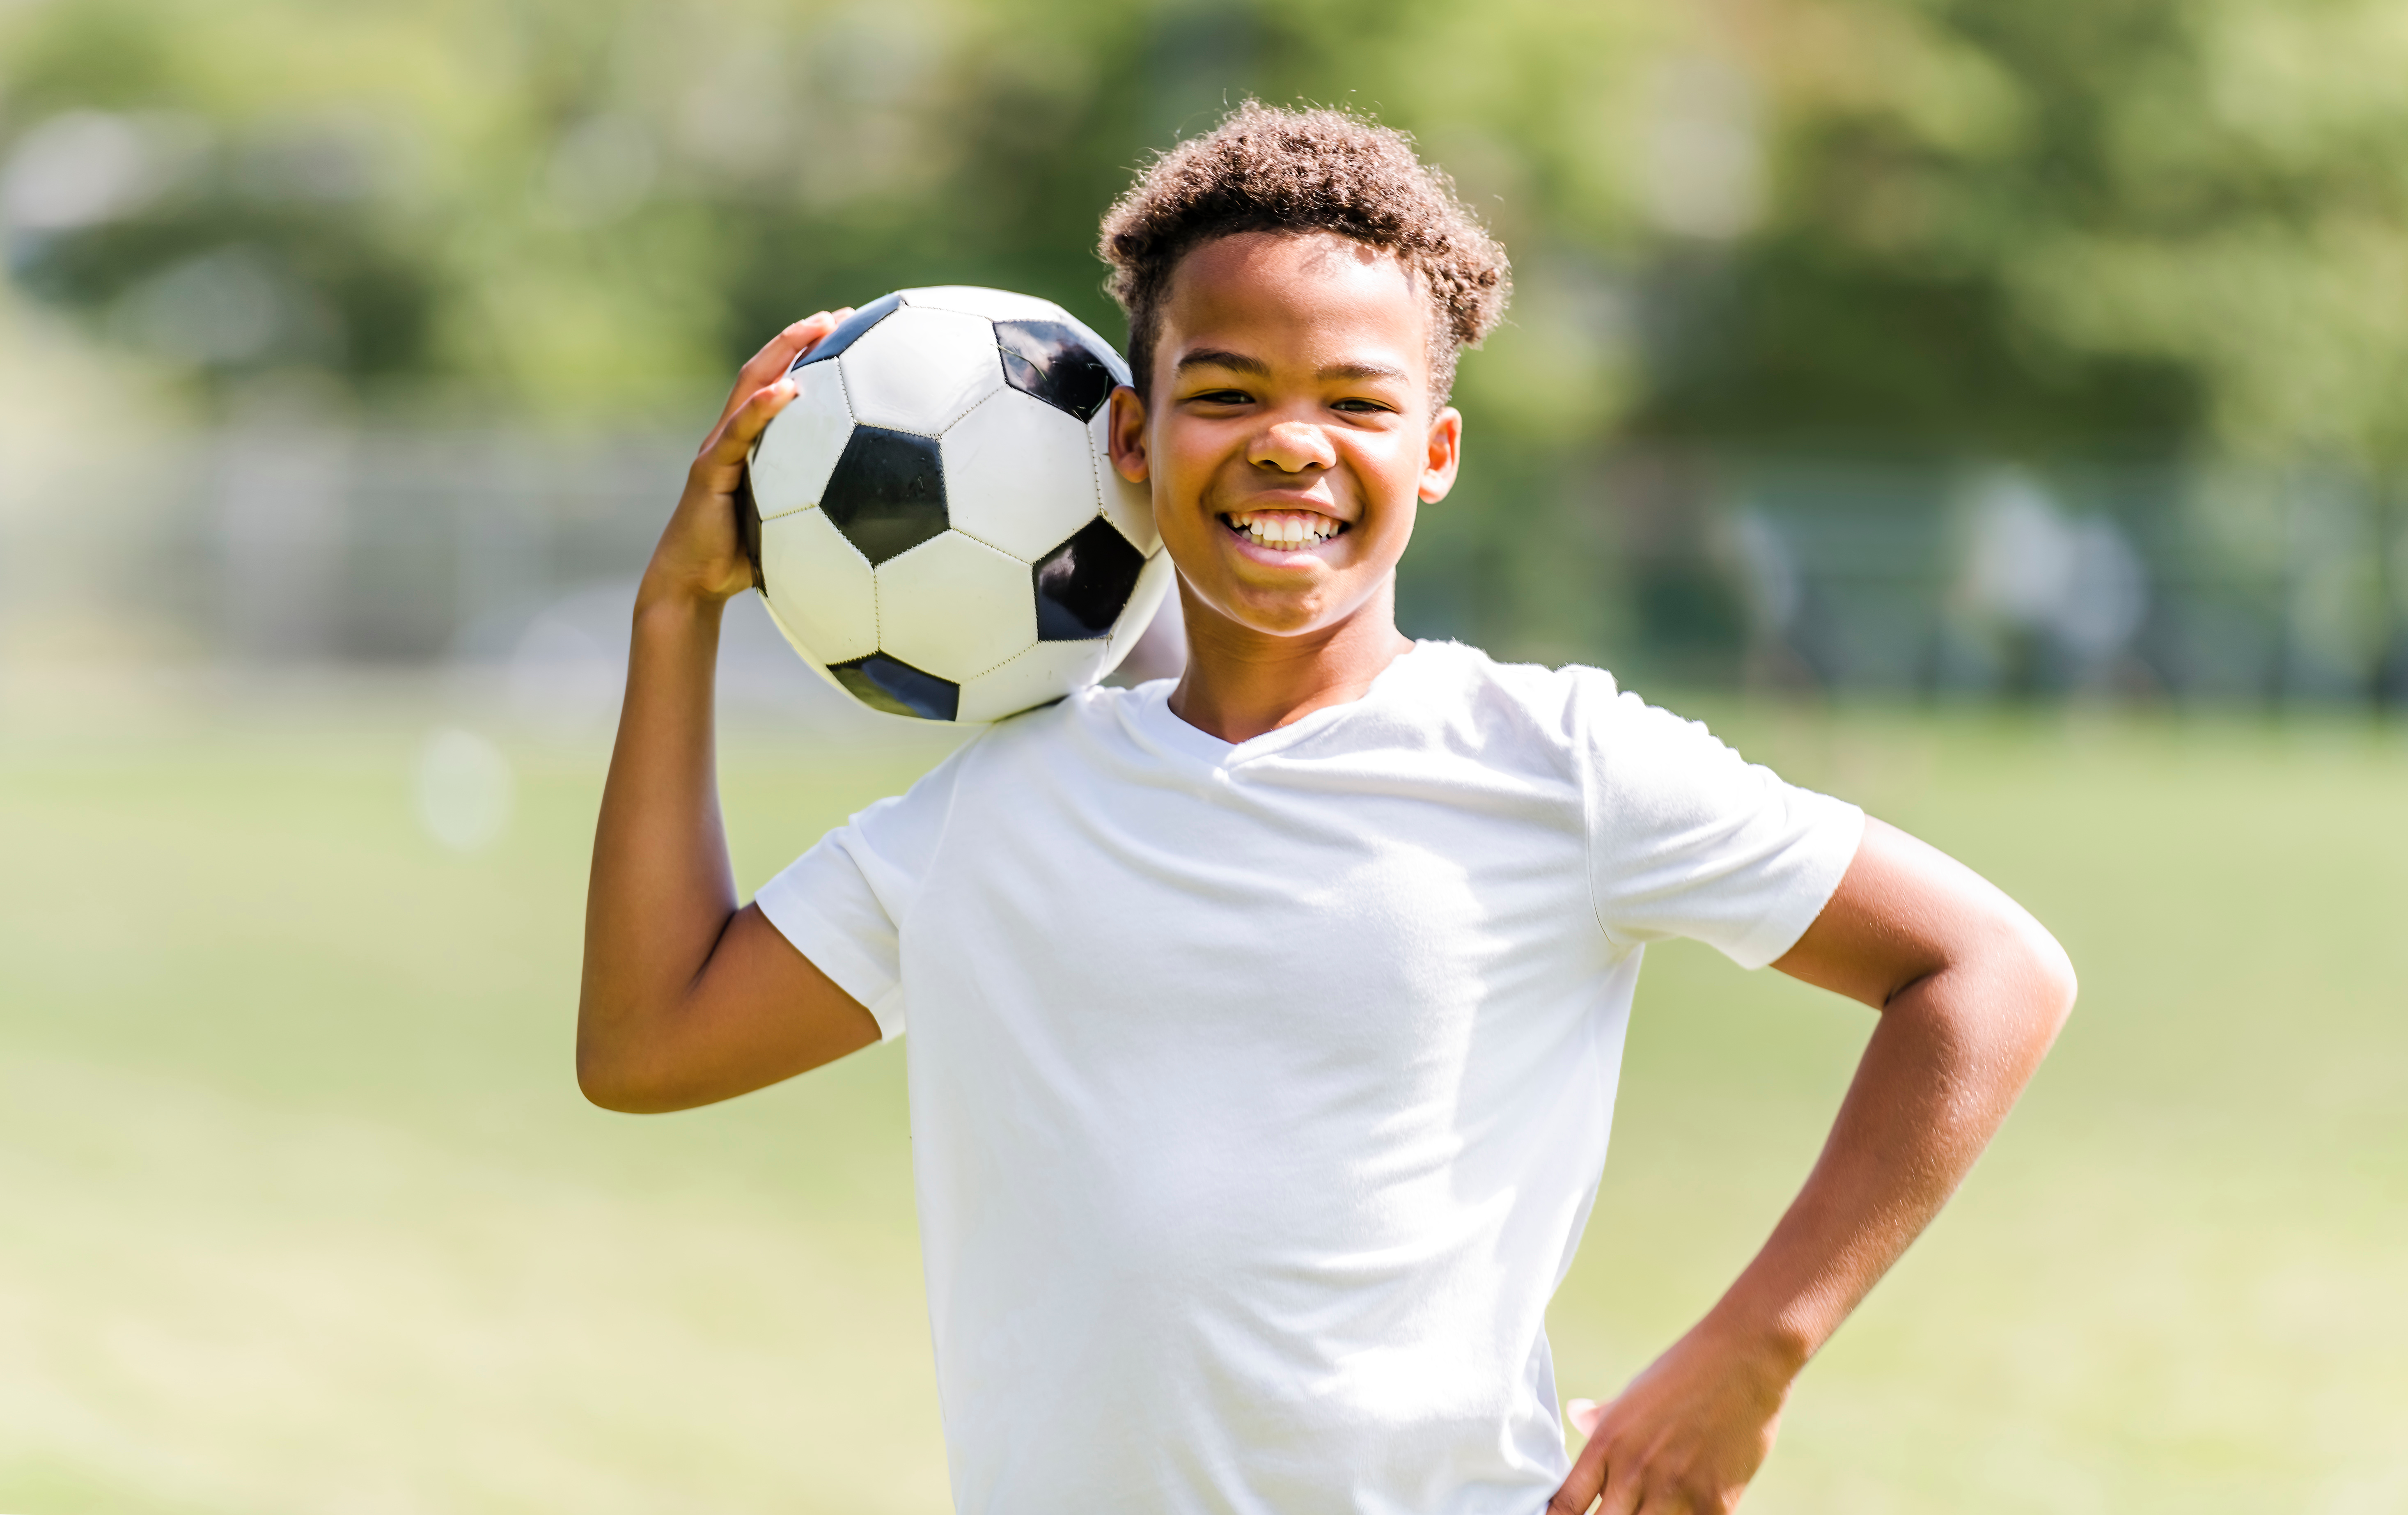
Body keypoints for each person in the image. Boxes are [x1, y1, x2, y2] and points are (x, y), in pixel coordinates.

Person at [578, 102, 2075, 1515]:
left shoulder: (1554, 763)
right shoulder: (1000, 808)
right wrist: (676, 616)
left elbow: (1988, 973)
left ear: (1433, 452)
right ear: (1130, 441)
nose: (1288, 442)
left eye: (1354, 402)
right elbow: (649, 1044)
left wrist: (1754, 1351)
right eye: (1224, 393)